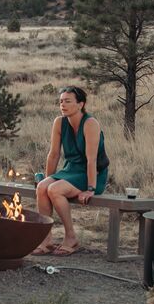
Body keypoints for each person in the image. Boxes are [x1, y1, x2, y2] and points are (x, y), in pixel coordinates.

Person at [31, 85, 109, 256]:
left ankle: (71, 237)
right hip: (70, 170)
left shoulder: (90, 123)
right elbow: (53, 154)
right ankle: (46, 240)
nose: (63, 105)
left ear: (80, 104)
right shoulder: (59, 122)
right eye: (61, 102)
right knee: (43, 187)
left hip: (92, 174)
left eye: (67, 101)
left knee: (55, 189)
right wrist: (47, 179)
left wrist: (90, 189)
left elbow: (92, 160)